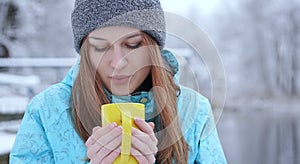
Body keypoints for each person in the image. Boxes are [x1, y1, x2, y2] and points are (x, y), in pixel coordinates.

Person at [10, 0, 227, 163]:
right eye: (101, 47)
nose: (117, 62)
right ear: (85, 50)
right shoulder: (46, 110)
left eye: (132, 45)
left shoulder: (195, 112)